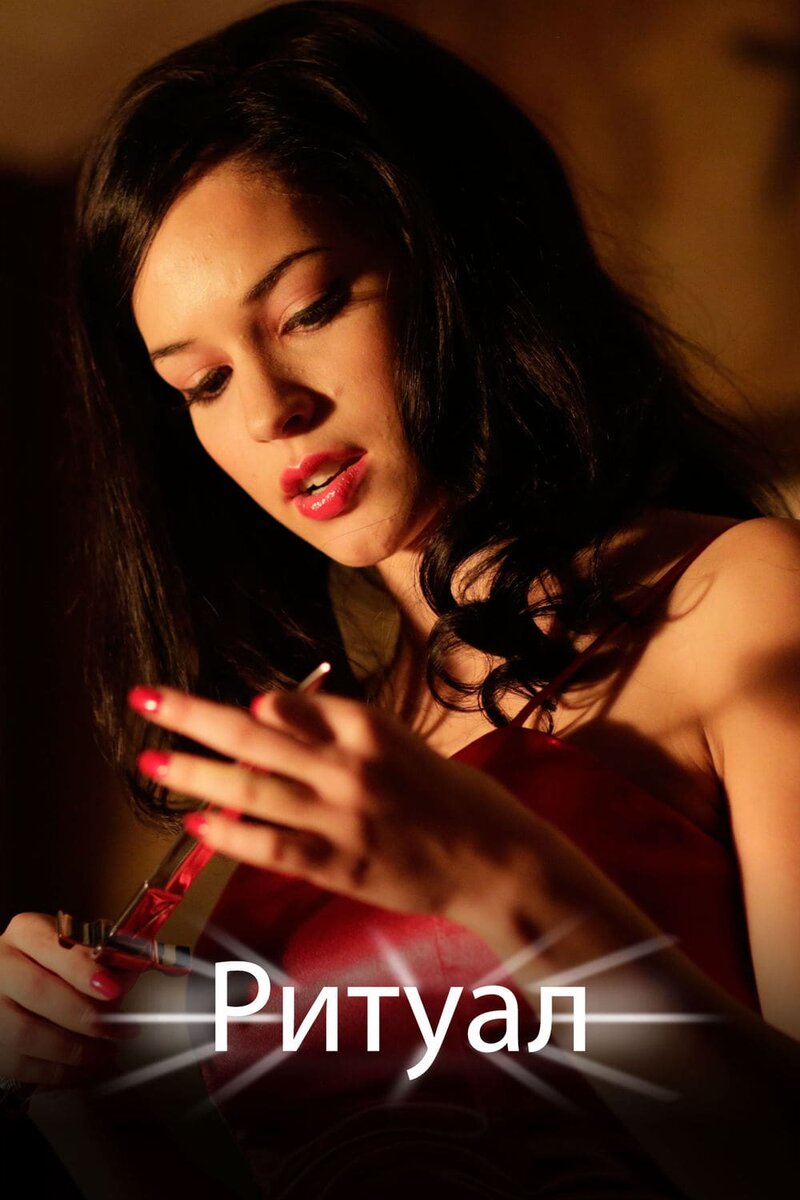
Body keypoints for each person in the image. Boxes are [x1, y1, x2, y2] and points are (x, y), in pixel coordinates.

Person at [1, 2, 798, 1196]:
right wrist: (88, 1104)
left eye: (310, 310)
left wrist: (497, 881)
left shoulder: (737, 603)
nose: (268, 410)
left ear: (457, 259)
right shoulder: (333, 754)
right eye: (202, 381)